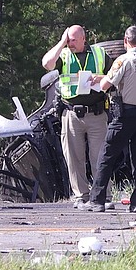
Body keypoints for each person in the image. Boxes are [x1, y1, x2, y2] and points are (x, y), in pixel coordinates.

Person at [80, 26, 136, 213]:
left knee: (107, 155)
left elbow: (106, 85)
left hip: (124, 114)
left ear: (125, 40)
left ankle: (97, 200)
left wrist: (99, 80)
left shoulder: (123, 60)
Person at [41, 25, 110, 207]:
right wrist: (61, 42)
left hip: (96, 113)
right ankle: (81, 196)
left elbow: (114, 76)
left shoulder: (99, 53)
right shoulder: (63, 55)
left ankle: (103, 195)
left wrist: (98, 77)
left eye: (73, 40)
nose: (70, 43)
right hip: (71, 113)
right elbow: (47, 64)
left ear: (83, 38)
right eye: (68, 39)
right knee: (74, 157)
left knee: (100, 157)